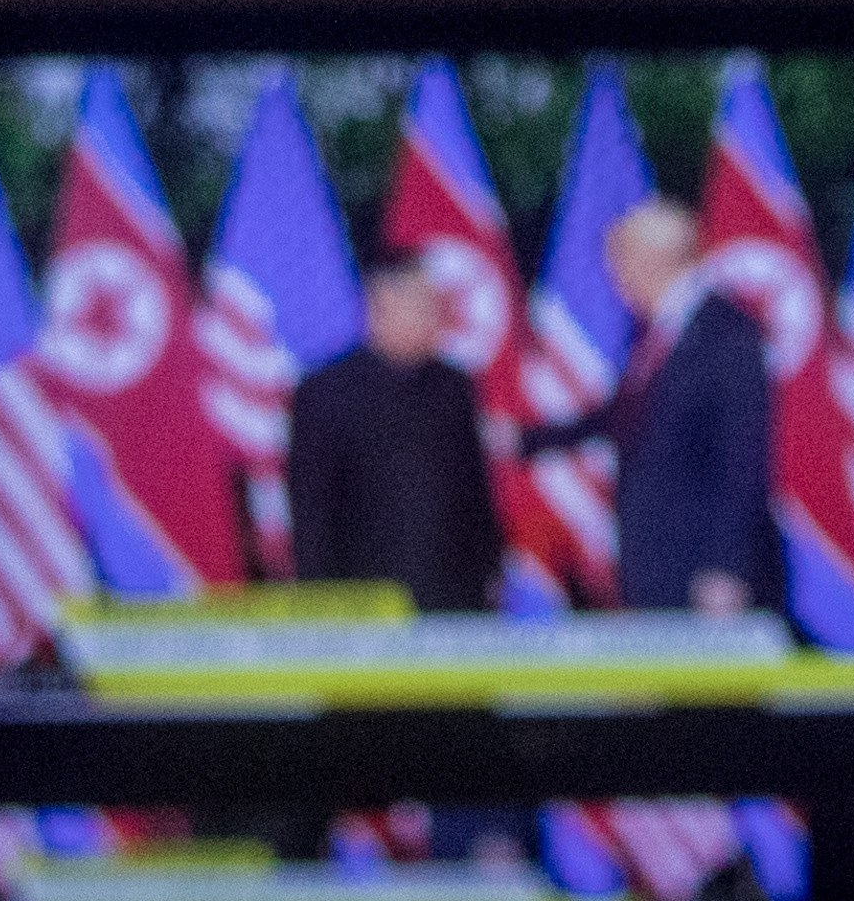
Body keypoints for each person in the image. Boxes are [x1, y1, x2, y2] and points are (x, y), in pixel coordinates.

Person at [522, 200, 775, 616]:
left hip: (702, 567)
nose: (615, 279)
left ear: (651, 260)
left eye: (619, 263)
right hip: (652, 554)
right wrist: (525, 440)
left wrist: (726, 567)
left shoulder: (727, 334)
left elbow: (742, 460)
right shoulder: (657, 333)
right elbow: (625, 417)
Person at [282, 250, 502, 613]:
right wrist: (322, 601)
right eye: (422, 304)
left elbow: (475, 494)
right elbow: (312, 512)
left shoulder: (454, 388)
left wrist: (491, 570)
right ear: (381, 308)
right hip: (364, 602)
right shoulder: (324, 394)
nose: (436, 316)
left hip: (455, 600)